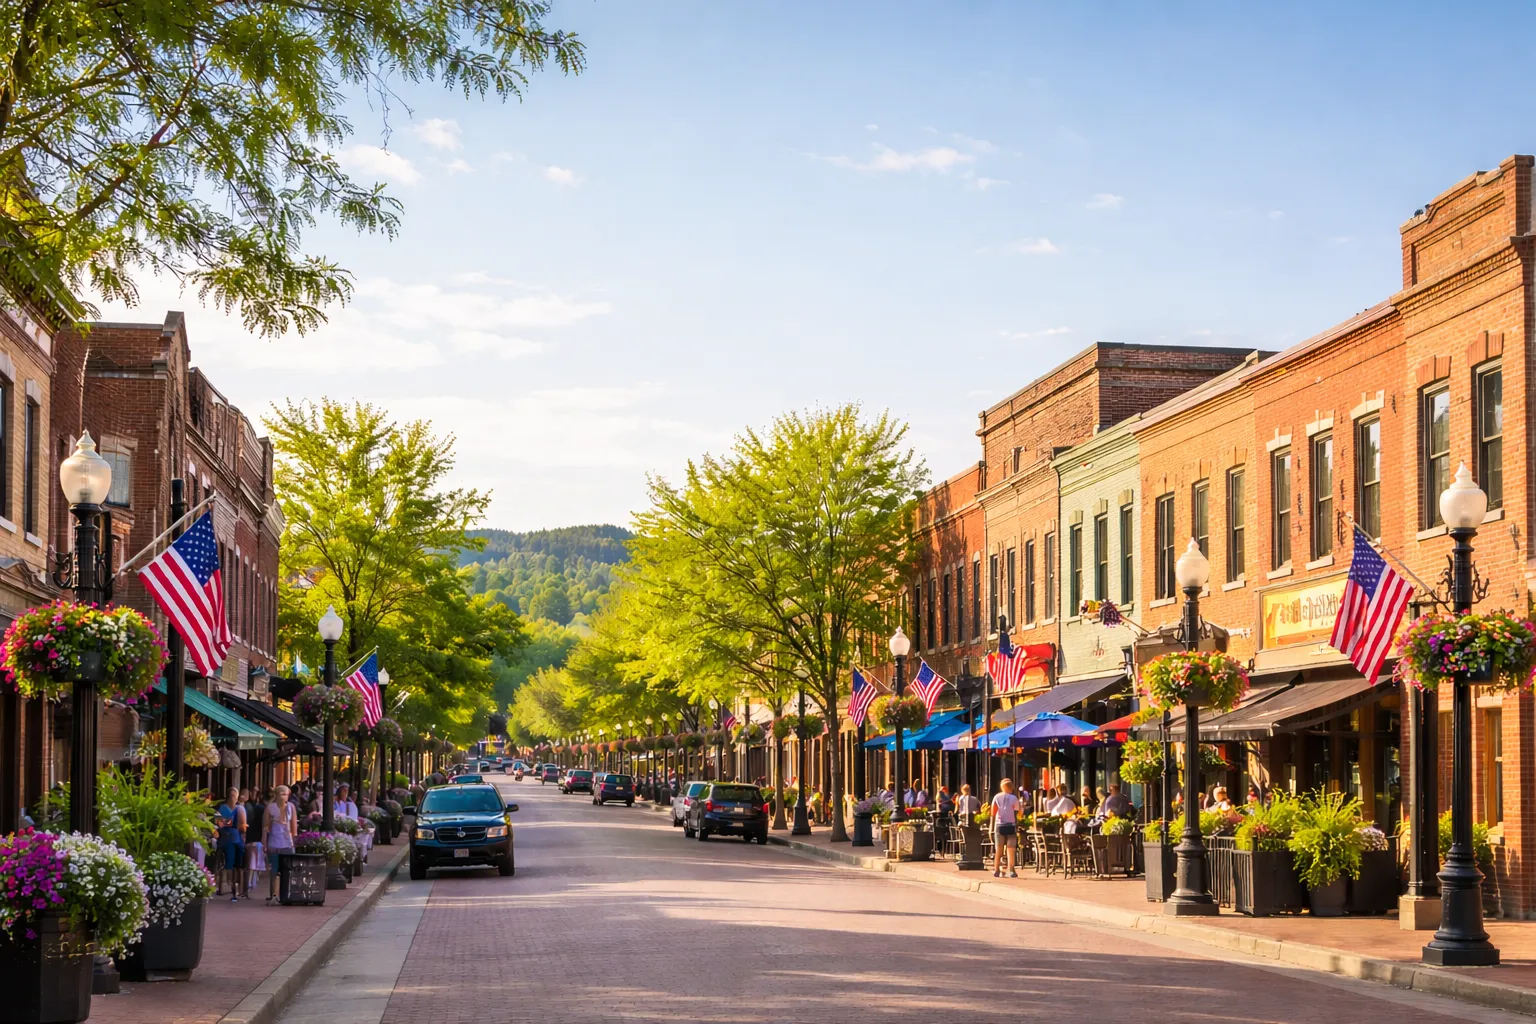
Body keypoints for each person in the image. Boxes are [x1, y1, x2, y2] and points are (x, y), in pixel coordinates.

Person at [263, 785, 297, 903]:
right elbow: (265, 827)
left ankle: (286, 894)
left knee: (288, 870)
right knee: (274, 870)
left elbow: (294, 826)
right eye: (283, 794)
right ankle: (273, 895)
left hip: (287, 842)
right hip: (274, 842)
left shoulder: (291, 807)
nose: (285, 797)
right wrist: (264, 843)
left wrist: (294, 841)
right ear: (277, 795)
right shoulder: (270, 808)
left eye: (287, 794)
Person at [214, 787, 246, 902]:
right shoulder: (227, 808)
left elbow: (219, 823)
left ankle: (232, 888)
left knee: (234, 865)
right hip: (228, 839)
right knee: (230, 864)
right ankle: (228, 887)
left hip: (231, 839)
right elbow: (219, 823)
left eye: (235, 796)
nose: (234, 798)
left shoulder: (236, 808)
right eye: (233, 796)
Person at [990, 778, 1023, 878]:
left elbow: (993, 812)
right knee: (1011, 848)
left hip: (999, 824)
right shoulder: (1014, 798)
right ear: (1011, 787)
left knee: (999, 849)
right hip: (1011, 825)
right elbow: (1018, 811)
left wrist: (991, 826)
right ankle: (1011, 869)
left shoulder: (996, 797)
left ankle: (996, 869)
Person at [243, 788, 266, 896]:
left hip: (250, 839)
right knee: (253, 866)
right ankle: (249, 886)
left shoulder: (250, 808)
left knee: (250, 865)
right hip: (256, 840)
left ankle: (248, 886)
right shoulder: (259, 809)